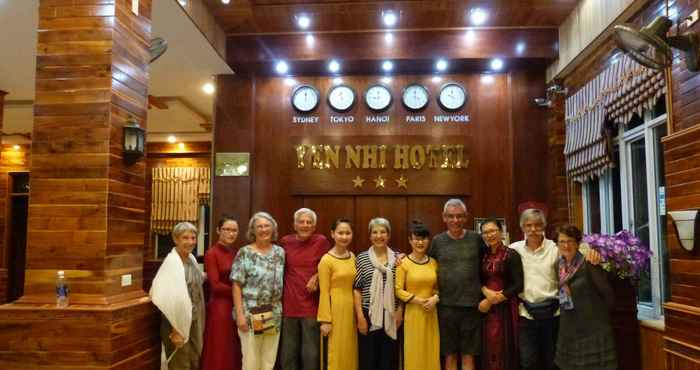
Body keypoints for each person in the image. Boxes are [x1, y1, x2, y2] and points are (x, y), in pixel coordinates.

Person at [509, 209, 600, 370]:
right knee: (528, 362)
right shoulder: (514, 249)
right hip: (526, 313)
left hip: (554, 313)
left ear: (543, 226)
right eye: (528, 225)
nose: (533, 229)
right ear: (522, 227)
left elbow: (580, 252)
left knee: (552, 362)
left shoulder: (555, 247)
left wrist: (594, 253)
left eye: (537, 225)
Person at [429, 199, 485, 370]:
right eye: (451, 216)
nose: (455, 220)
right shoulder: (437, 241)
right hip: (446, 307)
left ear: (466, 217)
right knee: (450, 355)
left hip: (472, 307)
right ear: (444, 218)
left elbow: (489, 265)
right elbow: (426, 265)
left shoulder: (476, 239)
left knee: (469, 355)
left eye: (459, 216)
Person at [554, 224, 617, 370]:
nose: (566, 245)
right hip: (569, 327)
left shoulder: (589, 263)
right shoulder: (557, 265)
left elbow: (607, 294)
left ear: (577, 243)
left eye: (570, 241)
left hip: (593, 328)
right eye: (562, 241)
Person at [231, 212, 285, 370]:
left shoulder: (280, 253)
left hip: (272, 311)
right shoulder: (245, 253)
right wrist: (240, 315)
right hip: (250, 311)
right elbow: (236, 285)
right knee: (251, 360)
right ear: (253, 230)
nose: (263, 229)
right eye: (259, 226)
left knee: (268, 360)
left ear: (273, 228)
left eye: (267, 226)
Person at [279, 208, 331, 370]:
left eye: (309, 222)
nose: (305, 225)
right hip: (289, 306)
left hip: (311, 306)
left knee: (311, 355)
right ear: (294, 225)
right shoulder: (285, 242)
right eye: (301, 222)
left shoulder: (321, 241)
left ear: (314, 226)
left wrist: (316, 276)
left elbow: (330, 265)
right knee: (288, 354)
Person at [150, 222, 205, 370]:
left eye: (193, 238)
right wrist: (176, 329)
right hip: (176, 322)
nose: (190, 242)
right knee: (180, 363)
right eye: (185, 238)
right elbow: (167, 298)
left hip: (193, 319)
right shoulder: (172, 263)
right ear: (175, 239)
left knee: (194, 359)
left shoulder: (191, 259)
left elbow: (196, 282)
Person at [353, 217, 402, 370]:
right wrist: (360, 316)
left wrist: (400, 311)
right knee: (368, 359)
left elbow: (402, 288)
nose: (379, 236)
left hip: (391, 314)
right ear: (369, 236)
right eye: (375, 232)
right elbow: (357, 288)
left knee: (389, 360)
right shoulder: (361, 258)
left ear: (389, 235)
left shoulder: (399, 259)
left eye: (383, 232)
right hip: (369, 314)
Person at [478, 218, 523, 370]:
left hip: (506, 306)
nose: (489, 235)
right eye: (485, 232)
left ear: (501, 232)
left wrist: (495, 299)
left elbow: (518, 284)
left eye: (493, 231)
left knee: (504, 345)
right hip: (485, 307)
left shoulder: (511, 254)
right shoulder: (481, 255)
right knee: (488, 346)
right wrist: (485, 294)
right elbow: (476, 279)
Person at [395, 221, 440, 370]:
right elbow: (397, 290)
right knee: (414, 351)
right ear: (410, 240)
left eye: (424, 239)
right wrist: (419, 301)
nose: (420, 242)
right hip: (413, 313)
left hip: (431, 312)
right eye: (416, 239)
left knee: (431, 350)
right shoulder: (403, 263)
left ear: (429, 240)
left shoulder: (433, 263)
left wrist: (435, 298)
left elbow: (438, 288)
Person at [201, 215, 242, 370]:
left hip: (236, 304)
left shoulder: (236, 252)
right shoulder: (212, 253)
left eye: (234, 230)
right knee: (220, 347)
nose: (231, 233)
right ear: (218, 230)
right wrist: (240, 291)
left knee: (233, 346)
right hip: (220, 306)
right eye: (227, 229)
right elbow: (216, 285)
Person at [318, 219, 358, 370]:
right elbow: (323, 292)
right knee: (335, 352)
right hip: (334, 310)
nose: (344, 236)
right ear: (332, 234)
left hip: (351, 310)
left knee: (349, 350)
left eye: (348, 233)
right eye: (340, 233)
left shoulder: (353, 256)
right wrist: (325, 320)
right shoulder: (326, 260)